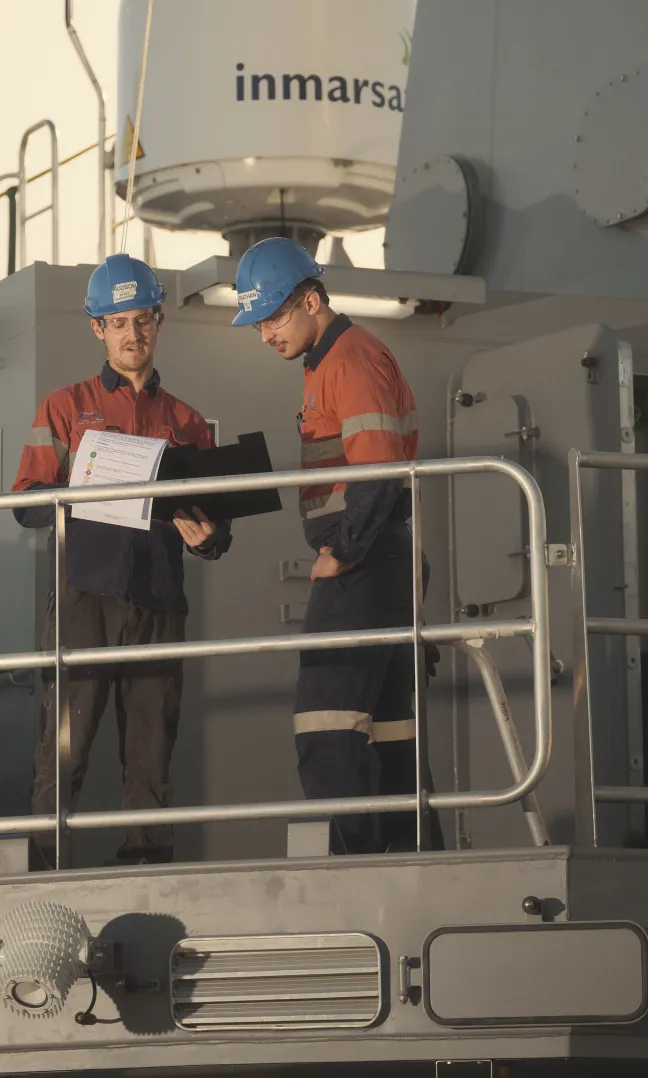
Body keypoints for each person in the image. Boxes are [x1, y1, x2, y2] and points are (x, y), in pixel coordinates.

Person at [12, 253, 230, 868]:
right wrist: (81, 491)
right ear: (97, 330)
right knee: (65, 747)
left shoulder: (186, 421)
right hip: (85, 596)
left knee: (152, 751)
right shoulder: (65, 407)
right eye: (119, 322)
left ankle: (148, 870)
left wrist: (206, 538)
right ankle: (45, 871)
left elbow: (218, 533)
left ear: (159, 323)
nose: (133, 334)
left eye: (143, 320)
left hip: (160, 599)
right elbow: (26, 503)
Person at [230, 236, 443, 855]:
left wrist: (343, 552)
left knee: (325, 728)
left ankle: (356, 869)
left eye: (272, 316)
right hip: (383, 562)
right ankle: (410, 863)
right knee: (389, 733)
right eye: (258, 321)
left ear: (312, 300)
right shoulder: (337, 361)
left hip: (365, 565)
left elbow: (375, 472)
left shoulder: (347, 362)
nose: (265, 333)